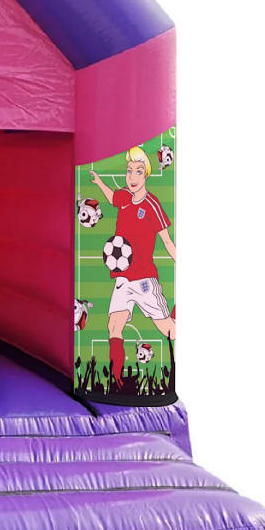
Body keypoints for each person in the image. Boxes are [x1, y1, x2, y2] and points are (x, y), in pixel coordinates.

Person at [90, 145, 175, 387]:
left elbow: (167, 241)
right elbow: (112, 198)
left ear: (146, 174)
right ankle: (116, 380)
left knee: (169, 331)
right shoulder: (125, 197)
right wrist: (99, 182)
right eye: (129, 171)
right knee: (113, 325)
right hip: (123, 279)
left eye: (138, 171)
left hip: (144, 280)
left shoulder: (152, 204)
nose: (132, 176)